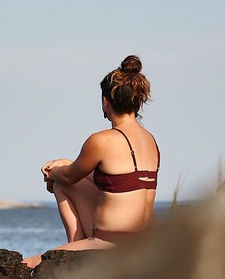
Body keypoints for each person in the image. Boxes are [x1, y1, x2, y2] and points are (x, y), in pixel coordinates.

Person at [24, 55, 159, 267]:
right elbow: (117, 180)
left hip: (109, 244)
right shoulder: (150, 140)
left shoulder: (102, 140)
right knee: (63, 177)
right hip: (142, 243)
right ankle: (77, 248)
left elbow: (69, 176)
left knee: (31, 264)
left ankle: (74, 253)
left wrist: (52, 172)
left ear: (105, 101)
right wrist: (65, 163)